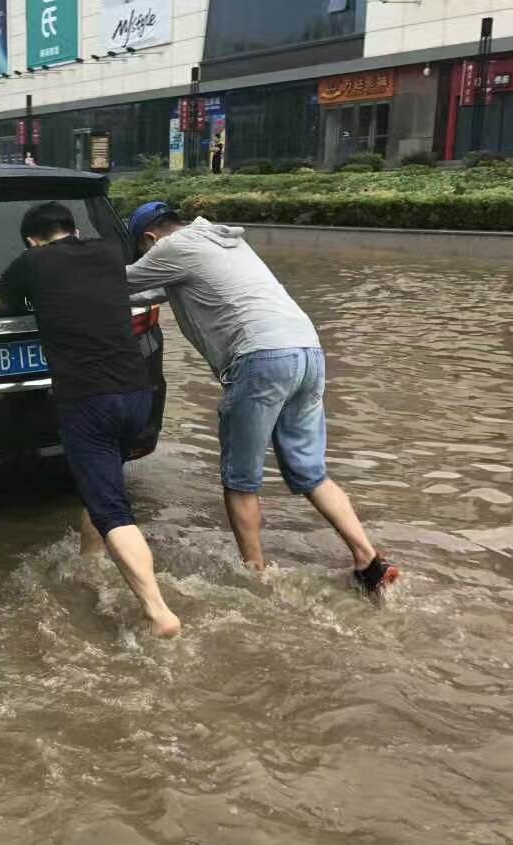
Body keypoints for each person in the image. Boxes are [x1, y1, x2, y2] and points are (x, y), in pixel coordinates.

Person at [124, 202, 399, 596]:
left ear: (150, 238)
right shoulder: (223, 242)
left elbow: (117, 283)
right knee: (310, 472)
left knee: (240, 480)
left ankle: (256, 581)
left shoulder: (172, 249)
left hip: (260, 359)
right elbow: (161, 288)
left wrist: (59, 263)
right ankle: (368, 562)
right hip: (307, 352)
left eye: (143, 250)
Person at [0, 202, 182, 638]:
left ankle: (157, 610)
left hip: (88, 400)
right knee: (102, 482)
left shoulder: (31, 262)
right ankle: (91, 559)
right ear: (74, 229)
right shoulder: (108, 253)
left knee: (113, 510)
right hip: (136, 393)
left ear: (31, 240)